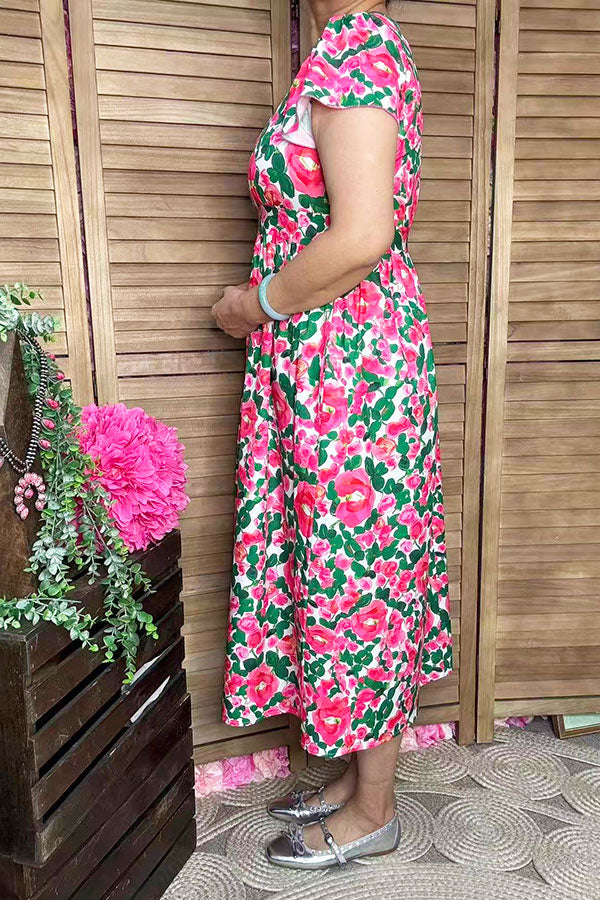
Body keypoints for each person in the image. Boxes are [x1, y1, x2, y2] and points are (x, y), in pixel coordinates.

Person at [211, 0, 453, 869]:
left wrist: (254, 305)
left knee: (359, 569)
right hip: (322, 364)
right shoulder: (335, 53)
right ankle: (359, 781)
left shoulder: (361, 47)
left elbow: (362, 235)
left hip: (350, 369)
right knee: (338, 563)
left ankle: (375, 813)